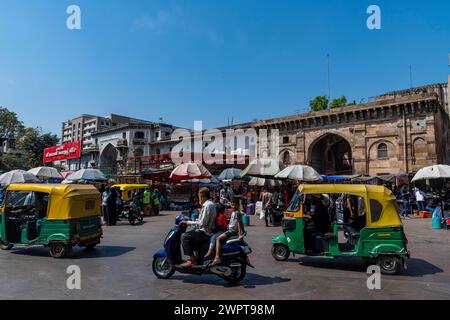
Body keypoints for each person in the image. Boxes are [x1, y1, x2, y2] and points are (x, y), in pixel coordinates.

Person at [179, 188, 217, 267]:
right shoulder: (209, 204)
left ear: (202, 196)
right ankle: (197, 257)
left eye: (199, 196)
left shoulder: (207, 205)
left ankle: (192, 259)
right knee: (192, 233)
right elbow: (202, 220)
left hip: (205, 233)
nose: (198, 198)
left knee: (184, 236)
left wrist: (187, 222)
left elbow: (201, 223)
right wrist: (192, 220)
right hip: (207, 231)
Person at [212, 198, 245, 265]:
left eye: (235, 205)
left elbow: (239, 223)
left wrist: (240, 234)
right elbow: (241, 222)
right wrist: (243, 231)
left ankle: (217, 257)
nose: (233, 206)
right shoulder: (235, 212)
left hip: (232, 231)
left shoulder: (236, 213)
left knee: (217, 239)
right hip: (230, 230)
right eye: (232, 205)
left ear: (238, 205)